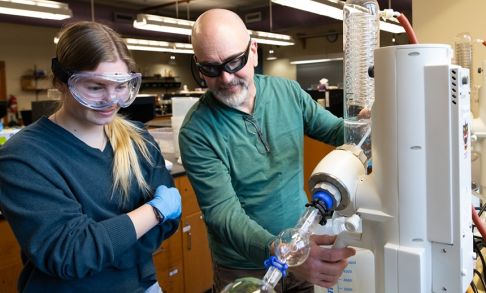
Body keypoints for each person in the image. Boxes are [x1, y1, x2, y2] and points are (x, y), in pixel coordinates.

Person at [179, 8, 356, 293]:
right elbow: (223, 215)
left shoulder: (288, 93)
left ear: (253, 51)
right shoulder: (197, 131)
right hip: (244, 265)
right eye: (210, 69)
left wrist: (367, 122)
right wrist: (282, 252)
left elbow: (337, 132)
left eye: (234, 62)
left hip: (300, 244)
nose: (225, 78)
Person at [0, 21, 181, 293]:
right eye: (96, 87)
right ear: (61, 82)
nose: (112, 100)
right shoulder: (23, 157)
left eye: (121, 86)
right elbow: (71, 254)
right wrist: (154, 211)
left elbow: (169, 224)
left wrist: (103, 244)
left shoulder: (138, 139)